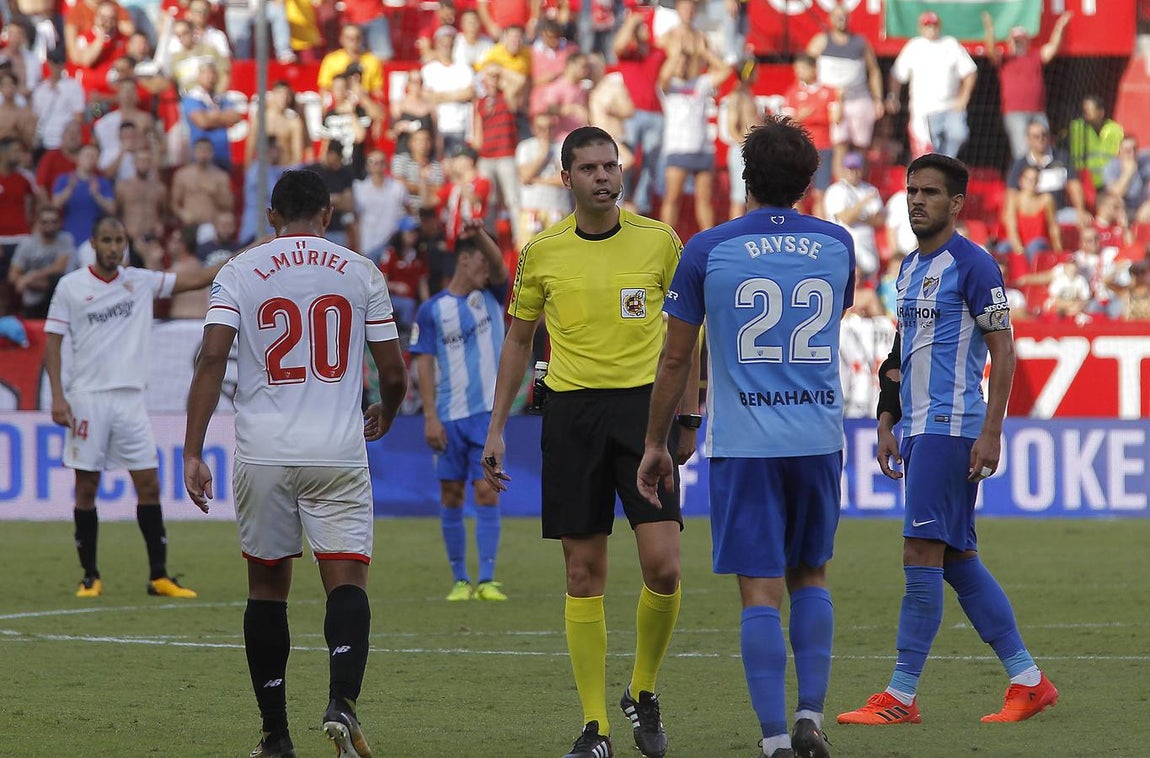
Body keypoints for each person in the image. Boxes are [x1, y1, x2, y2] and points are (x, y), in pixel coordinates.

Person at [637, 114, 854, 758]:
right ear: (808, 180)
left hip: (746, 444)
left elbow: (677, 360)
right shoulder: (837, 243)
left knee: (758, 589)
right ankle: (811, 715)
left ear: (745, 176)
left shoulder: (707, 248)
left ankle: (775, 740)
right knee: (811, 574)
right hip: (817, 434)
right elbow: (835, 313)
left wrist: (658, 442)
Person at [481, 126, 698, 758]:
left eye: (611, 165)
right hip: (571, 417)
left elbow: (690, 335)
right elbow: (519, 340)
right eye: (590, 168)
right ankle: (596, 725)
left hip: (645, 415)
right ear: (566, 176)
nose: (604, 177)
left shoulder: (661, 242)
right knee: (584, 571)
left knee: (664, 564)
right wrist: (497, 427)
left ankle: (644, 688)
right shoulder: (542, 251)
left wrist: (689, 416)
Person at [183, 169, 408, 758]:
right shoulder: (361, 271)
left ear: (272, 216)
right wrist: (390, 406)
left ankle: (276, 735)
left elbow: (211, 359)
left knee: (266, 589)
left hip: (263, 454)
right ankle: (341, 701)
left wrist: (191, 449)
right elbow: (392, 369)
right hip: (337, 450)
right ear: (328, 216)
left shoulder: (239, 271)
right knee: (347, 581)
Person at [837, 153, 1059, 728]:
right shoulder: (909, 267)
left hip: (952, 426)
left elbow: (1003, 349)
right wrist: (887, 419)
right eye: (912, 190)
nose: (916, 200)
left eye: (930, 193)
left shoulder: (975, 265)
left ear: (956, 203)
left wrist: (992, 432)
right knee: (957, 559)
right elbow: (898, 353)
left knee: (920, 553)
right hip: (917, 429)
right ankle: (1029, 680)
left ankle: (901, 696)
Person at [44, 215, 220, 599]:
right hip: (88, 397)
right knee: (86, 487)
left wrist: (251, 251)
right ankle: (90, 575)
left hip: (130, 399)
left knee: (149, 484)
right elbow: (53, 342)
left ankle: (159, 575)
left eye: (118, 240)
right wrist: (58, 396)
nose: (112, 247)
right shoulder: (71, 287)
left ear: (125, 243)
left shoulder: (139, 281)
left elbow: (196, 278)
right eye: (106, 240)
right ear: (93, 242)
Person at [410, 220, 510, 602]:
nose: (488, 267)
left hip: (487, 416)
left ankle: (486, 579)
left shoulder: (493, 295)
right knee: (451, 494)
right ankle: (460, 580)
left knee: (487, 491)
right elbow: (424, 363)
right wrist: (430, 416)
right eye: (480, 260)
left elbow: (500, 264)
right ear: (464, 262)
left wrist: (480, 232)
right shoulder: (431, 311)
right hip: (448, 417)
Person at [807, 5, 884, 179]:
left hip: (859, 99)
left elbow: (874, 71)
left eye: (844, 16)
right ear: (830, 19)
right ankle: (841, 184)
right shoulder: (821, 41)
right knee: (839, 144)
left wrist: (877, 99)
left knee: (861, 145)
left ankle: (861, 182)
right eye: (837, 16)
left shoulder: (860, 42)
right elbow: (805, 67)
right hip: (834, 102)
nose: (841, 20)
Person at [981, 12, 1071, 161]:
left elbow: (1053, 47)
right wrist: (989, 29)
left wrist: (1060, 25)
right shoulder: (1005, 59)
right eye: (1015, 41)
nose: (1018, 44)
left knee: (1045, 149)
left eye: (1021, 41)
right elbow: (990, 50)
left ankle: (1044, 179)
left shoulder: (1035, 57)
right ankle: (1024, 180)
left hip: (1038, 111)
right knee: (1021, 151)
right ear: (1009, 42)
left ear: (1027, 42)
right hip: (1014, 112)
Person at [888, 12, 977, 158]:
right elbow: (897, 74)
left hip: (950, 108)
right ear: (921, 28)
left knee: (959, 137)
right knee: (925, 153)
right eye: (927, 25)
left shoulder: (951, 44)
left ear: (939, 26)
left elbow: (970, 71)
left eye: (934, 25)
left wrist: (964, 97)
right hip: (923, 110)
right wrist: (893, 96)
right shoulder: (914, 46)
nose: (931, 28)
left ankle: (946, 170)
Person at [8, 205, 75, 319]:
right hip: (33, 301)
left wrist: (30, 276)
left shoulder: (65, 240)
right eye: (45, 222)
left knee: (57, 279)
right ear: (38, 223)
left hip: (59, 299)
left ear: (60, 223)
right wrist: (36, 283)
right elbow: (13, 276)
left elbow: (59, 268)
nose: (50, 226)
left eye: (54, 222)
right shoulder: (27, 244)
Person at [1068, 94, 1124, 193]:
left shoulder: (1115, 129)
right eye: (1084, 110)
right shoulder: (1078, 128)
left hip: (1110, 182)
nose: (1086, 113)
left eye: (1090, 110)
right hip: (1085, 182)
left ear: (1101, 112)